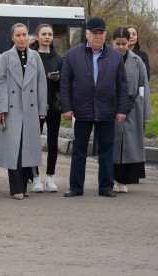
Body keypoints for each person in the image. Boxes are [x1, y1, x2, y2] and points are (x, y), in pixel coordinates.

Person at [61, 17, 128, 198]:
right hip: (82, 110)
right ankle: (76, 187)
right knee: (79, 150)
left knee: (106, 149)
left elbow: (122, 85)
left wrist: (122, 109)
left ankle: (106, 186)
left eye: (101, 33)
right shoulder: (73, 55)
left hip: (107, 110)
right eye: (95, 33)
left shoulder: (115, 56)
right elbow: (65, 84)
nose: (98, 37)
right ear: (87, 34)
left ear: (105, 35)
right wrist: (67, 107)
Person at [0, 23, 47, 200]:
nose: (22, 38)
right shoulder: (5, 57)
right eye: (18, 35)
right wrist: (1, 107)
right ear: (12, 37)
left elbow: (41, 83)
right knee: (14, 149)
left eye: (24, 35)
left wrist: (41, 107)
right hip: (11, 109)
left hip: (30, 109)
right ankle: (15, 188)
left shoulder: (35, 57)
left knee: (27, 149)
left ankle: (23, 187)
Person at [111, 27, 151, 193]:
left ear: (129, 43)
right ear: (112, 43)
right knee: (113, 144)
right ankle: (111, 178)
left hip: (132, 107)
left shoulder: (137, 61)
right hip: (111, 107)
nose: (121, 47)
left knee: (128, 145)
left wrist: (144, 112)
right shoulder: (107, 58)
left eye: (124, 44)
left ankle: (123, 179)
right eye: (117, 44)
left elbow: (144, 86)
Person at [29, 24, 62, 193]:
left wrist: (57, 79)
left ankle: (50, 177)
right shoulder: (31, 56)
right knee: (34, 142)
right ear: (37, 37)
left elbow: (65, 83)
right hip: (34, 106)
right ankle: (35, 178)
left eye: (50, 34)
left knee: (53, 142)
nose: (47, 37)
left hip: (54, 106)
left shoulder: (59, 59)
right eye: (44, 34)